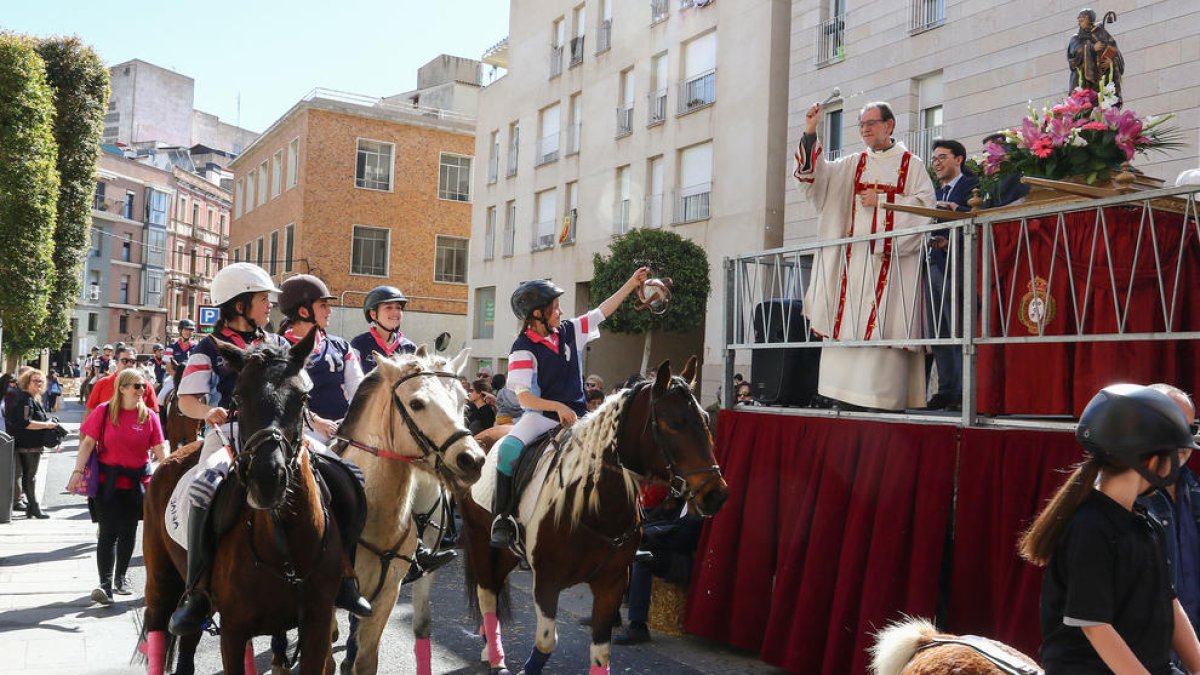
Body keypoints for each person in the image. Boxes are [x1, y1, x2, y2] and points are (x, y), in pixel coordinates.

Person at [168, 263, 372, 636]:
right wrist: (206, 411)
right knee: (200, 490)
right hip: (229, 433)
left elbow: (294, 392)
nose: (269, 307)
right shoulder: (206, 350)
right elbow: (186, 401)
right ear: (239, 303)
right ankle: (196, 591)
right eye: (263, 300)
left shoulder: (277, 344)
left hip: (282, 435)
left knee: (351, 476)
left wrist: (312, 422)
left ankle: (344, 575)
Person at [1018, 384, 1200, 673]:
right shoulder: (1090, 528)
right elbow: (1095, 626)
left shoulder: (1145, 522)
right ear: (1152, 462)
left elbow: (1170, 602)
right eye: (1175, 454)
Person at [490, 267, 650, 548]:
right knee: (507, 451)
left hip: (580, 418)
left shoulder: (569, 331)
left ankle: (625, 527)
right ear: (537, 314)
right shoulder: (521, 348)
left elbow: (602, 312)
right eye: (555, 308)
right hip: (541, 418)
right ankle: (503, 518)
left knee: (617, 451)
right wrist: (556, 407)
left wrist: (631, 283)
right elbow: (524, 399)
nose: (560, 312)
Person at [794, 100, 935, 411]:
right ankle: (841, 399)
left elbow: (926, 207)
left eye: (872, 123)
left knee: (883, 331)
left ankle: (881, 401)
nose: (866, 129)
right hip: (850, 264)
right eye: (861, 124)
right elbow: (816, 178)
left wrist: (882, 201)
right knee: (845, 323)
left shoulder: (913, 165)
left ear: (890, 125)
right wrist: (810, 130)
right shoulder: (852, 164)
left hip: (889, 267)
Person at [68, 368, 168, 604]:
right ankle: (105, 585)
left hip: (137, 483)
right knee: (108, 531)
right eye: (136, 386)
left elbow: (160, 450)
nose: (141, 390)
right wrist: (77, 473)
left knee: (129, 530)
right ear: (121, 388)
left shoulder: (149, 416)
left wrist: (170, 476)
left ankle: (121, 579)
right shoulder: (103, 412)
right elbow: (87, 444)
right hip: (107, 482)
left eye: (143, 386)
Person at [1139, 384, 1200, 652]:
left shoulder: (1194, 489)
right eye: (1172, 425)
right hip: (1150, 655)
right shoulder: (1122, 499)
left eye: (1190, 429)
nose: (1183, 439)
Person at [924, 139, 978, 412]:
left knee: (958, 328)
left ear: (959, 159)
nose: (936, 162)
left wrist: (954, 227)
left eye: (942, 157)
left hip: (957, 265)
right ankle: (945, 390)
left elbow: (978, 217)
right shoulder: (933, 192)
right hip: (933, 263)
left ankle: (962, 392)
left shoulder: (972, 186)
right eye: (934, 158)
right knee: (939, 331)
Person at [277, 275, 363, 443]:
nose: (329, 311)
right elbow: (281, 399)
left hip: (344, 429)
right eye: (323, 305)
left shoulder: (341, 346)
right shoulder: (278, 349)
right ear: (303, 312)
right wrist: (316, 422)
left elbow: (359, 390)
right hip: (302, 432)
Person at [613, 489, 703, 646]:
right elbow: (663, 519)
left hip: (681, 562)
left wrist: (651, 540)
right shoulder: (682, 503)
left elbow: (684, 542)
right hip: (669, 550)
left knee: (642, 558)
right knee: (624, 546)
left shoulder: (697, 510)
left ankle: (638, 626)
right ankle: (612, 612)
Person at [4, 370, 61, 519]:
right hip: (28, 444)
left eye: (40, 381)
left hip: (30, 443)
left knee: (28, 476)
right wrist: (47, 425)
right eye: (34, 381)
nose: (38, 383)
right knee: (30, 477)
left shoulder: (32, 398)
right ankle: (34, 507)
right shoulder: (25, 399)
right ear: (27, 382)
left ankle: (31, 507)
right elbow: (26, 423)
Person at [350, 285, 416, 374]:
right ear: (373, 314)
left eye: (398, 308)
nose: (396, 312)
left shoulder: (409, 347)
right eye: (388, 307)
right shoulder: (360, 344)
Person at [1068, 8, 1123, 104]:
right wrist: (1092, 48)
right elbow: (1074, 54)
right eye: (1079, 21)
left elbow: (1115, 52)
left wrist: (1111, 61)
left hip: (1102, 79)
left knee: (1102, 103)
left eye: (1082, 20)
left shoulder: (1101, 33)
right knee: (1082, 106)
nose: (1079, 23)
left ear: (1089, 20)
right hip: (1082, 80)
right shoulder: (1076, 38)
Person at [87, 347, 159, 416]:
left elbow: (154, 414)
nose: (129, 364)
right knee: (91, 382)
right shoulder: (102, 382)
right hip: (102, 373)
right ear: (116, 362)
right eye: (124, 361)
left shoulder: (146, 385)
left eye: (132, 361)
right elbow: (90, 411)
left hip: (137, 428)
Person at [981, 132, 1031, 208]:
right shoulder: (989, 182)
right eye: (983, 154)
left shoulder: (1019, 177)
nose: (984, 159)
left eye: (988, 152)